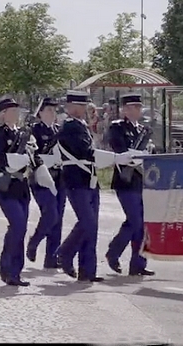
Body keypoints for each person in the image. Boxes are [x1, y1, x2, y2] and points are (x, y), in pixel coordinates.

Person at [56, 91, 136, 282]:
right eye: (80, 106)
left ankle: (87, 271)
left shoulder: (80, 126)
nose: (84, 109)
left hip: (89, 180)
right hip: (76, 180)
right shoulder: (70, 127)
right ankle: (65, 253)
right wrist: (116, 158)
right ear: (70, 107)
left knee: (92, 227)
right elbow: (86, 152)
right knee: (87, 222)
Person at [105, 93, 154, 276]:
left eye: (138, 107)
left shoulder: (143, 130)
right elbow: (119, 149)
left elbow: (151, 152)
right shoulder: (117, 127)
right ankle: (113, 252)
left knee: (141, 223)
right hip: (125, 181)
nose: (135, 111)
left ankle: (138, 264)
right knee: (135, 221)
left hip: (141, 180)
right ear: (124, 109)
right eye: (131, 107)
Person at [0, 97, 32, 286]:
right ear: (3, 114)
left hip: (22, 186)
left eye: (17, 112)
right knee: (18, 225)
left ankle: (13, 270)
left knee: (19, 229)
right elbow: (0, 159)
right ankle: (8, 268)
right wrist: (20, 160)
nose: (16, 115)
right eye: (12, 111)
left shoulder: (22, 133)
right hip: (6, 186)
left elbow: (32, 157)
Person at [26, 97, 66, 269]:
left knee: (58, 218)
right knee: (51, 215)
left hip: (59, 178)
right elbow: (32, 155)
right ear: (40, 112)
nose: (52, 113)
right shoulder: (33, 131)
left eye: (54, 110)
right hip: (41, 178)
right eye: (48, 110)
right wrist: (50, 160)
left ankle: (52, 258)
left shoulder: (59, 130)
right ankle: (34, 242)